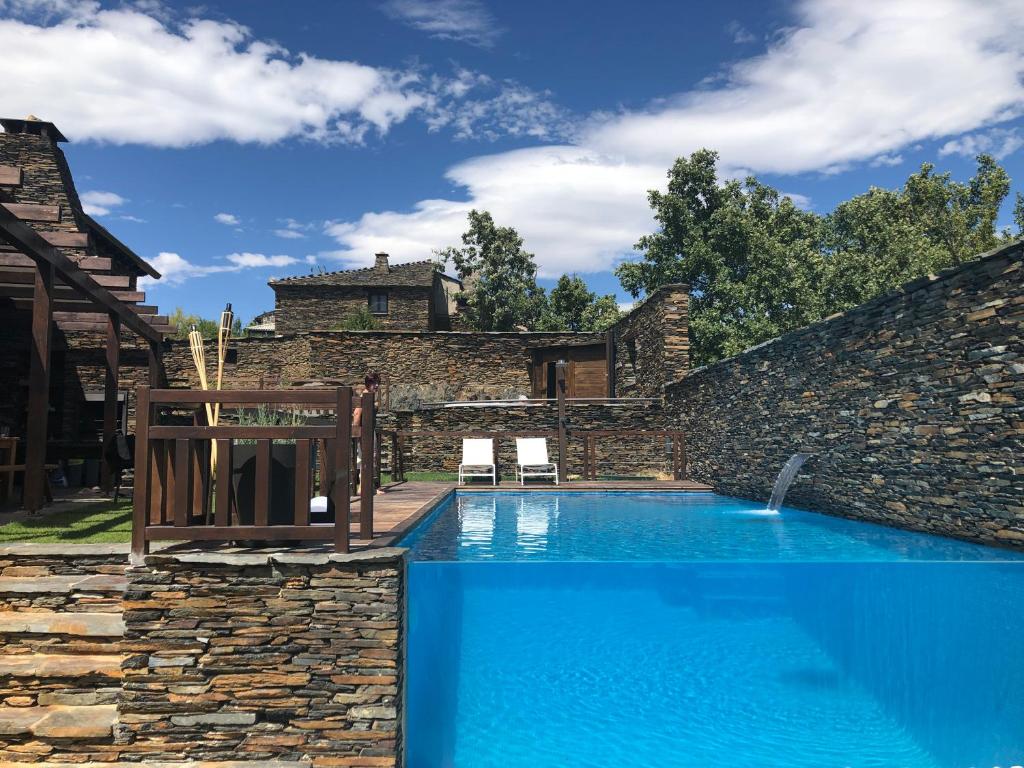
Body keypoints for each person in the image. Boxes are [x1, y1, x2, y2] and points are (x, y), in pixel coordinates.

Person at [352, 372, 384, 495]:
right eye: (373, 383)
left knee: (370, 458)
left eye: (377, 383)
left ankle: (369, 486)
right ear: (368, 384)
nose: (376, 386)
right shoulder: (364, 397)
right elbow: (356, 414)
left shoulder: (370, 396)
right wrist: (357, 432)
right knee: (367, 458)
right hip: (365, 432)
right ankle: (363, 487)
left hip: (370, 431)